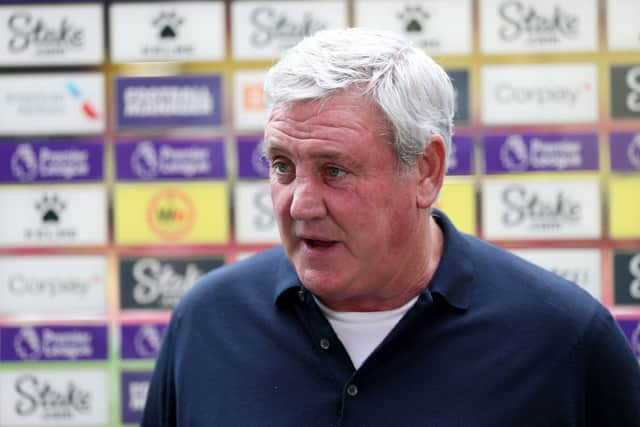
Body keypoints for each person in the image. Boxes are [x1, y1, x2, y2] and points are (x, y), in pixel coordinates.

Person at [141, 28, 640, 426]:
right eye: (282, 166)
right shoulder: (206, 321)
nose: (300, 205)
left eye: (334, 170)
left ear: (426, 170)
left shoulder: (564, 339)